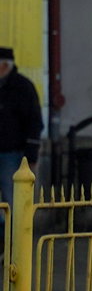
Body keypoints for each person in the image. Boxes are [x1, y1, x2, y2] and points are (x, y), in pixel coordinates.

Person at [0, 48, 41, 190]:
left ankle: (12, 214)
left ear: (5, 66)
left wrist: (31, 155)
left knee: (11, 196)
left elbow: (34, 122)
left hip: (13, 153)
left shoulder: (23, 88)